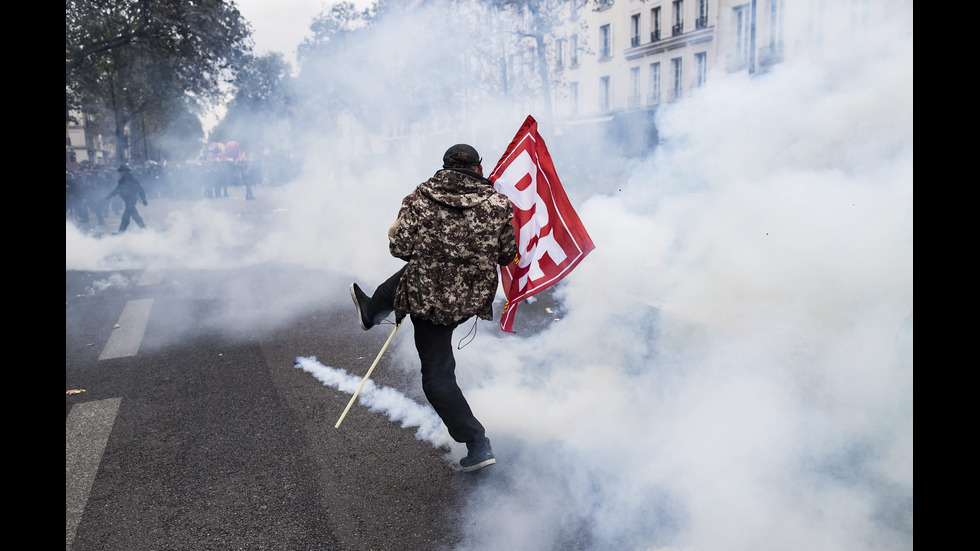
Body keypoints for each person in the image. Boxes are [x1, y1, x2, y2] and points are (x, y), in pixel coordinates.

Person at [350, 144, 518, 472]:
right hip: (471, 297)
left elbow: (399, 248)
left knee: (437, 376)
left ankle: (477, 443)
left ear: (444, 167)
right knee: (418, 272)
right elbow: (506, 254)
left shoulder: (420, 196)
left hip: (430, 299)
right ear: (479, 168)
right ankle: (373, 311)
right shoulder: (499, 204)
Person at [106, 164, 147, 233]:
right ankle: (144, 230)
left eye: (123, 171)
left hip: (131, 200)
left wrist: (143, 199)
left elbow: (140, 189)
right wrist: (109, 196)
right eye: (121, 171)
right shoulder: (121, 180)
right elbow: (117, 189)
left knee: (126, 217)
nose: (121, 173)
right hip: (127, 200)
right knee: (135, 216)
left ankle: (121, 232)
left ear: (126, 171)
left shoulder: (132, 179)